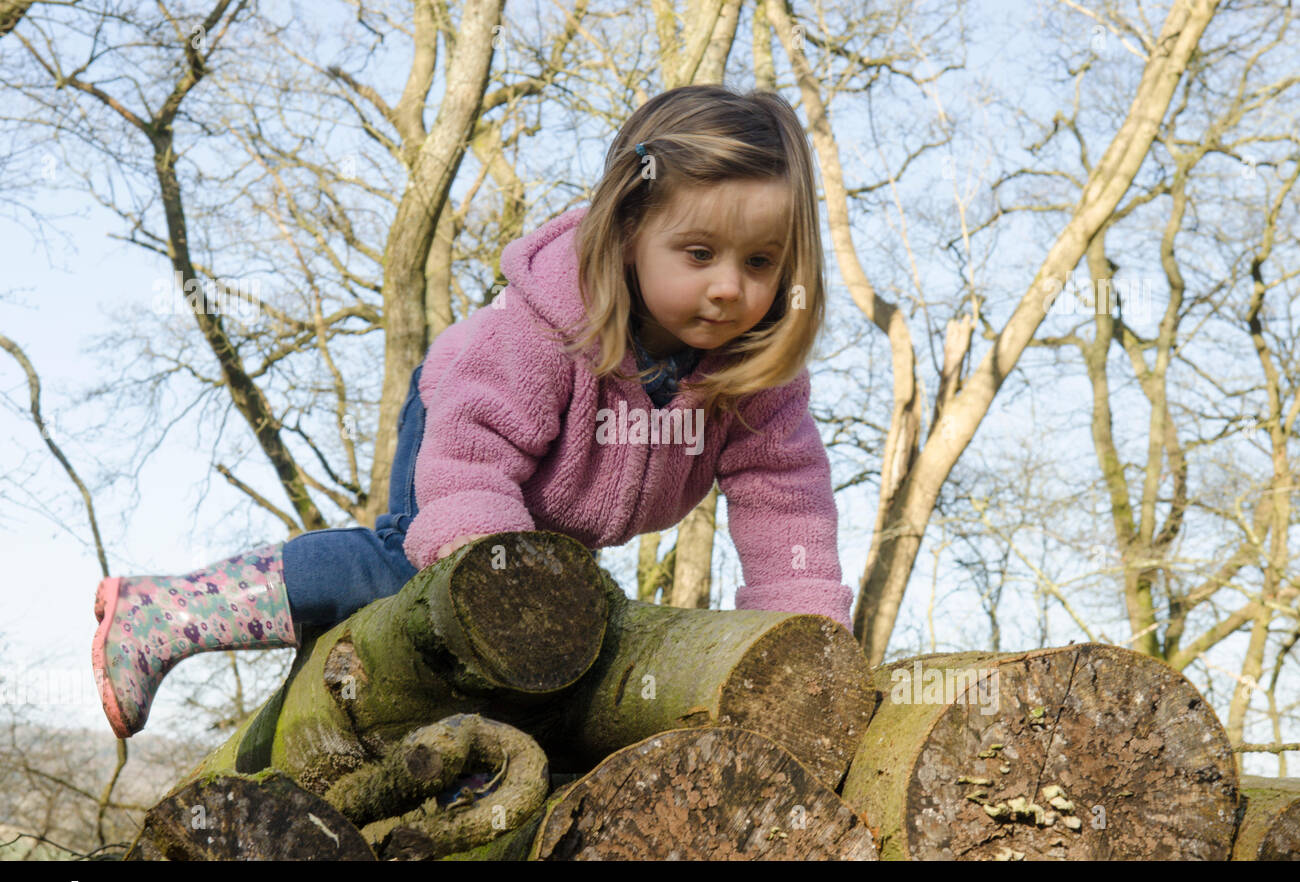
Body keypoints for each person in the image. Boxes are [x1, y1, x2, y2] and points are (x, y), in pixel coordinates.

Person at [91, 84, 856, 739]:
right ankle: (170, 610)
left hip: (553, 513)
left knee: (551, 628)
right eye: (699, 254)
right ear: (629, 232)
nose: (730, 287)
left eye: (759, 263)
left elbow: (789, 517)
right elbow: (473, 452)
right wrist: (497, 579)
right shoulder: (547, 331)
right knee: (411, 574)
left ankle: (390, 701)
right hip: (466, 428)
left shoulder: (757, 382)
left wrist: (806, 654)